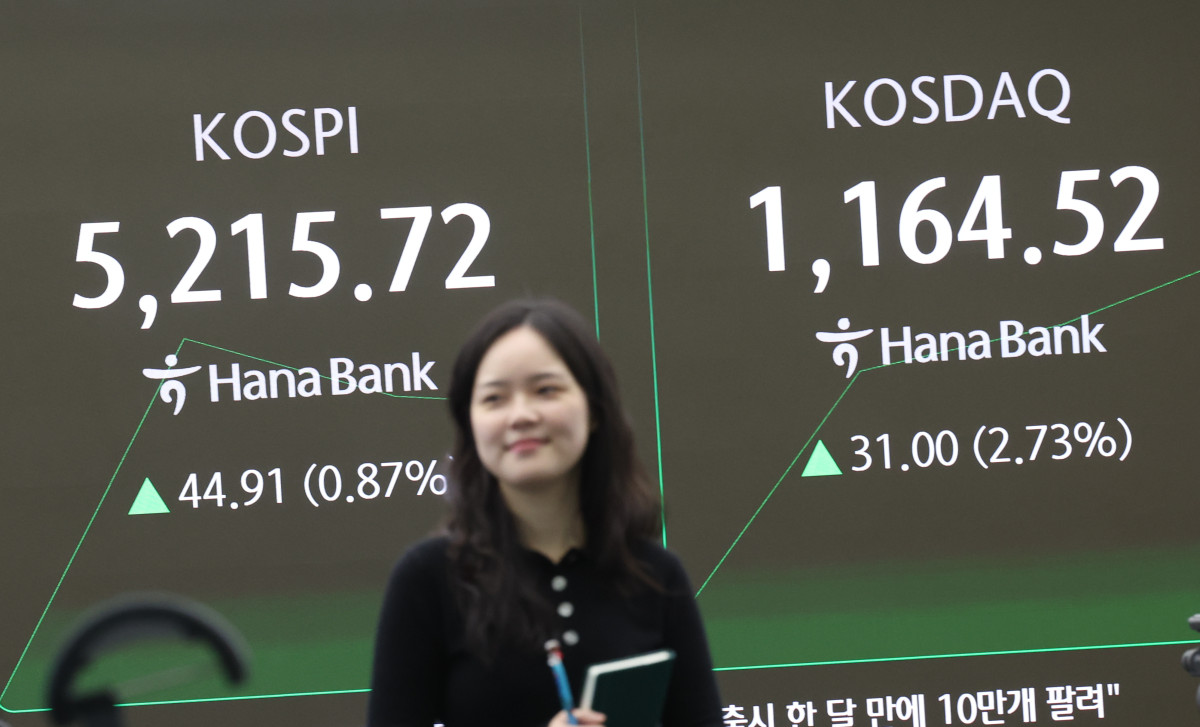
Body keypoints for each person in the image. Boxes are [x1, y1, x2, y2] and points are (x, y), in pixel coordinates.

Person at [368, 298, 722, 727]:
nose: (521, 415)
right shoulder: (427, 579)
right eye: (494, 398)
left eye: (546, 390)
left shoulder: (655, 575)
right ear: (470, 424)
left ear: (594, 409)